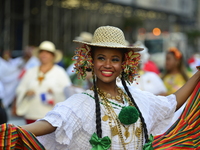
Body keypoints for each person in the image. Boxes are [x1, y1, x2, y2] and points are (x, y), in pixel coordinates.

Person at [1, 26, 199, 150]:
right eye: (101, 58)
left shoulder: (137, 98)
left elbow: (170, 103)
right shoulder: (80, 103)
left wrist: (198, 74)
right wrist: (13, 130)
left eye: (115, 59)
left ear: (124, 64)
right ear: (91, 62)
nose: (107, 65)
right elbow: (52, 123)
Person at [15, 41, 72, 124]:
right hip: (31, 114)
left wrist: (55, 91)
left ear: (53, 56)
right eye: (42, 52)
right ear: (38, 55)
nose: (44, 55)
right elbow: (20, 89)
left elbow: (68, 91)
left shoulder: (60, 72)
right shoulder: (30, 71)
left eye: (48, 53)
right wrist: (26, 92)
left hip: (52, 116)